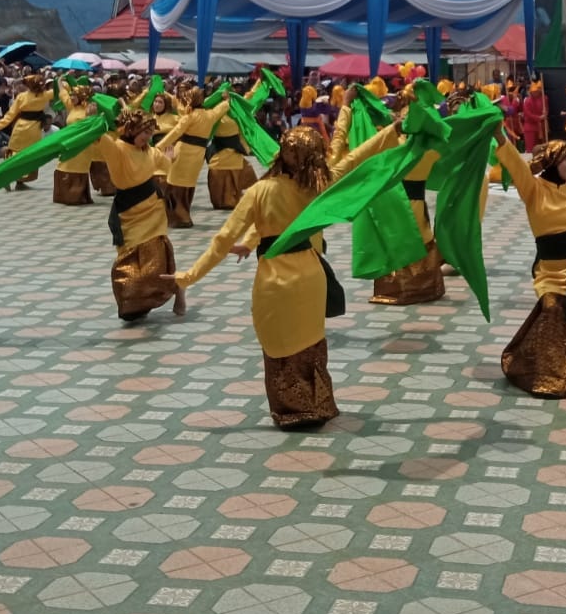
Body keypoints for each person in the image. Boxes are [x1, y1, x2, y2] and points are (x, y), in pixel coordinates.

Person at [165, 120, 400, 427]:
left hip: (274, 279)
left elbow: (223, 239)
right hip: (310, 272)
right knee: (310, 342)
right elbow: (355, 158)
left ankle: (291, 410)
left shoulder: (260, 191)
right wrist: (391, 131)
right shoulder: (321, 186)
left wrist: (189, 276)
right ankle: (317, 405)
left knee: (279, 342)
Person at [494, 130, 566, 398]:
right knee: (552, 313)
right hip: (550, 269)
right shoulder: (533, 189)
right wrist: (500, 136)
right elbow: (517, 167)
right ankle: (545, 373)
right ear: (553, 160)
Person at [348, 89, 445, 306]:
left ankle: (401, 289)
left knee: (399, 240)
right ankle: (428, 286)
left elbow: (372, 147)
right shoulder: (430, 151)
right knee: (421, 238)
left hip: (398, 202)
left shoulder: (397, 148)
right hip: (416, 202)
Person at [94, 108, 188, 322]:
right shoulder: (117, 149)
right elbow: (99, 138)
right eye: (143, 132)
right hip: (128, 212)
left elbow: (164, 162)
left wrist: (170, 158)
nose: (147, 137)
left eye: (150, 133)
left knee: (153, 264)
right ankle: (133, 304)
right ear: (130, 129)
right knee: (129, 264)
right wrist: (93, 120)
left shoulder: (150, 151)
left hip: (152, 210)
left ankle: (177, 288)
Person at [156, 86, 231, 227]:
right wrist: (226, 100)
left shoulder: (189, 117)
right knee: (188, 185)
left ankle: (178, 218)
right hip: (198, 155)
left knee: (174, 184)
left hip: (183, 152)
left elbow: (175, 133)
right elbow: (222, 108)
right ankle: (184, 216)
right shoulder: (210, 115)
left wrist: (159, 146)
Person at [0, 72, 52, 191]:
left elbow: (10, 115)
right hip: (34, 129)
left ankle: (11, 178)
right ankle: (20, 180)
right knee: (30, 155)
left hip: (20, 128)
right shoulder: (45, 95)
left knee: (14, 153)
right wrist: (61, 80)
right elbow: (62, 88)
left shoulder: (22, 96)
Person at [52, 83, 97, 206]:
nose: (71, 97)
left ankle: (75, 197)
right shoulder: (72, 107)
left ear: (82, 96)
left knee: (76, 168)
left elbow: (93, 126)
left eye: (74, 95)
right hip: (68, 144)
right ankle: (63, 196)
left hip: (81, 147)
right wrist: (59, 83)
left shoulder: (89, 109)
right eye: (71, 94)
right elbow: (64, 96)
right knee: (62, 166)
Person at [521, 80, 549, 154]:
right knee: (530, 148)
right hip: (530, 126)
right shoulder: (527, 101)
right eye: (534, 91)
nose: (535, 93)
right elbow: (528, 114)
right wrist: (539, 117)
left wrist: (545, 113)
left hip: (541, 126)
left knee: (541, 148)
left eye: (537, 91)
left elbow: (546, 109)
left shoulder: (544, 98)